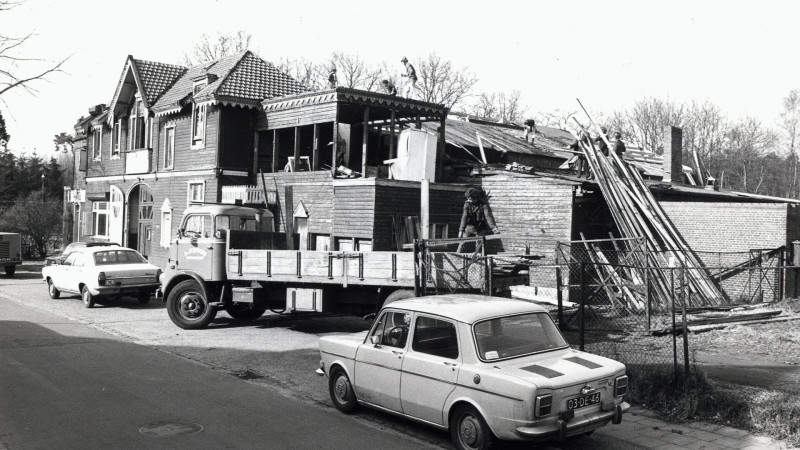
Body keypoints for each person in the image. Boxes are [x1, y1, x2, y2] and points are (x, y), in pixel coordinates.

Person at [456, 187, 499, 253]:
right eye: (468, 199)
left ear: (475, 198)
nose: (468, 200)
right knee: (462, 242)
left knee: (479, 244)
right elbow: (464, 217)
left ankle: (478, 258)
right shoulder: (467, 204)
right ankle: (457, 255)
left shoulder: (483, 205)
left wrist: (493, 228)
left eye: (470, 199)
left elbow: (488, 216)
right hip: (470, 226)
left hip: (480, 227)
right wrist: (461, 230)